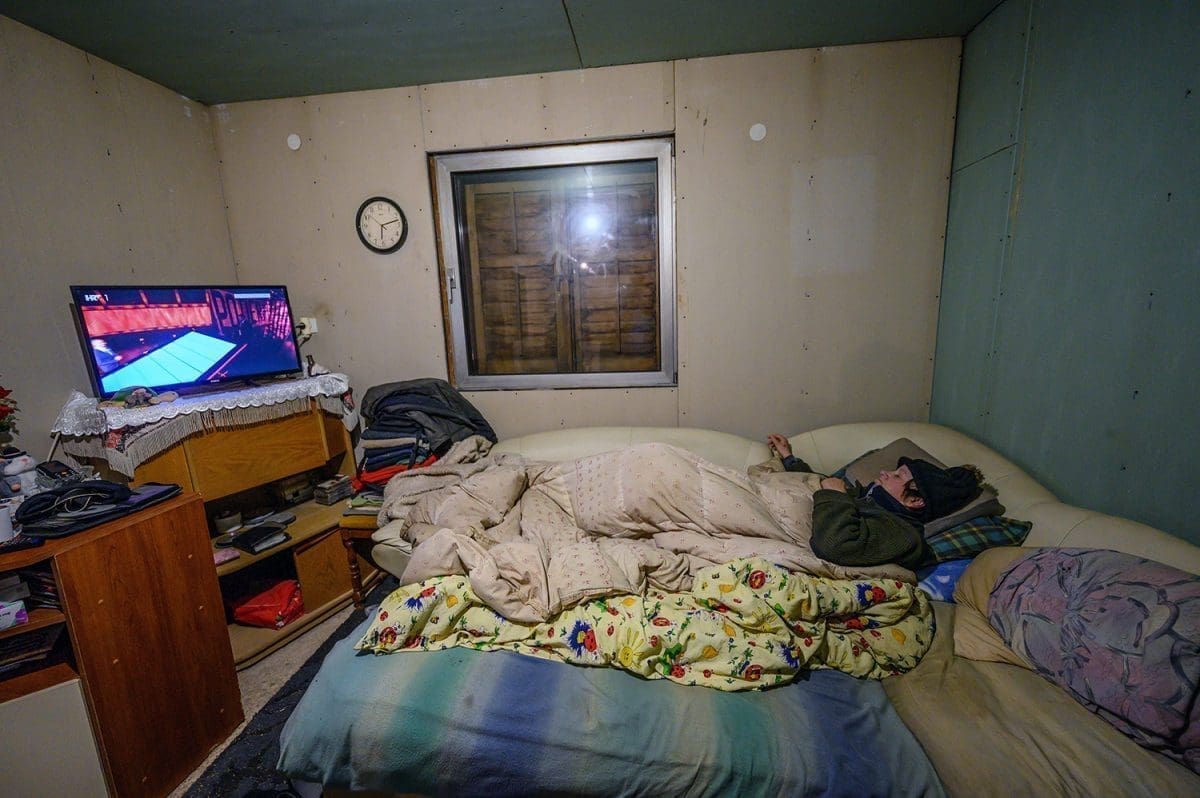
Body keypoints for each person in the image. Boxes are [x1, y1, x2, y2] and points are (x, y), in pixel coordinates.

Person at [765, 433, 983, 571]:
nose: (885, 472)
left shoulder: (904, 534)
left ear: (915, 500)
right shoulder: (867, 498)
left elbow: (834, 546)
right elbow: (818, 483)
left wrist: (835, 494)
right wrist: (788, 457)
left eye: (897, 476)